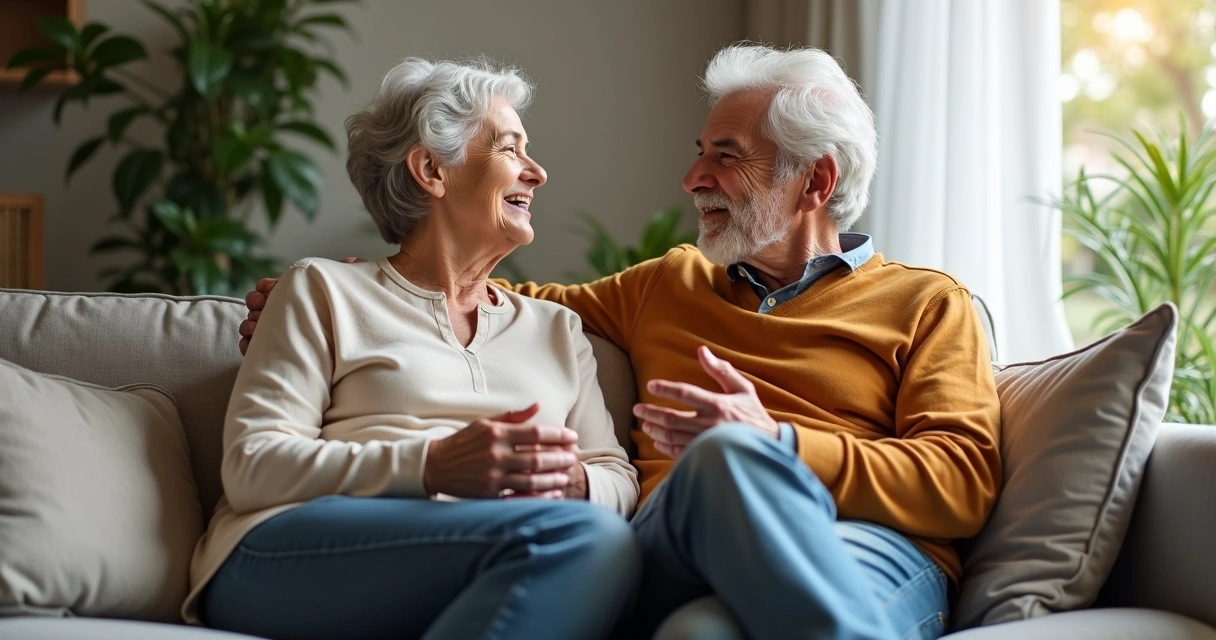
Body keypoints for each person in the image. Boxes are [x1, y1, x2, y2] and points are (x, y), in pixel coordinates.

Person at [242, 43, 1001, 640]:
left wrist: (780, 444)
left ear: (817, 181)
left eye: (725, 155)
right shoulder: (666, 284)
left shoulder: (928, 304)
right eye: (700, 151)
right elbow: (487, 302)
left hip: (859, 548)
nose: (692, 177)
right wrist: (362, 288)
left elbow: (962, 481)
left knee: (699, 632)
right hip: (680, 547)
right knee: (720, 460)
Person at [186, 58, 642, 640]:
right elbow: (253, 465)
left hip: (486, 552)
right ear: (431, 169)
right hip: (289, 551)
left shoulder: (557, 329)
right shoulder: (323, 288)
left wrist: (575, 485)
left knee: (599, 541)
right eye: (510, 149)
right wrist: (432, 465)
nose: (538, 173)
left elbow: (614, 474)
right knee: (586, 539)